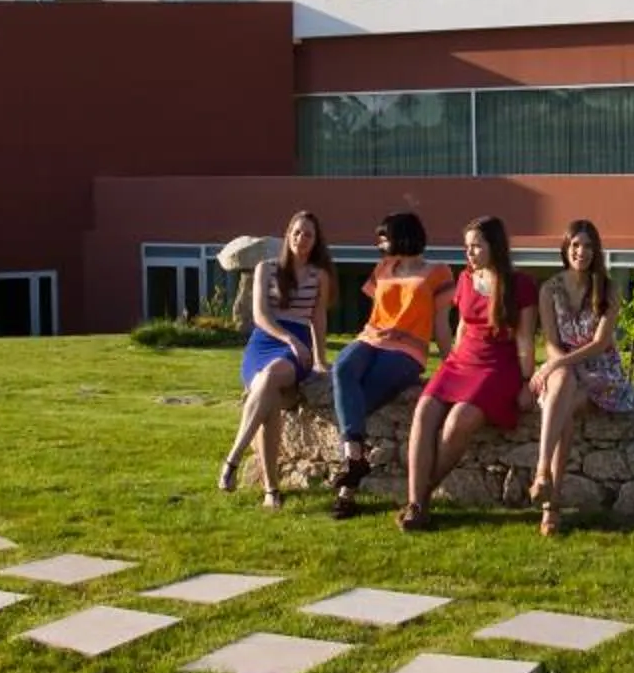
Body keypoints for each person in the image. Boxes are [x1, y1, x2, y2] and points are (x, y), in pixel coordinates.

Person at [396, 216, 540, 532]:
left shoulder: (522, 285)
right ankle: (417, 503)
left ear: (494, 246)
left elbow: (526, 339)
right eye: (467, 246)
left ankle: (419, 499)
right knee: (423, 411)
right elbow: (461, 326)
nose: (470, 252)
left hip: (497, 367)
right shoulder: (464, 279)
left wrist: (528, 381)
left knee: (458, 422)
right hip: (461, 362)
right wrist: (451, 362)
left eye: (476, 245)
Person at [325, 211, 456, 519]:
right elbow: (379, 312)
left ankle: (348, 488)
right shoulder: (383, 268)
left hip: (407, 351)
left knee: (360, 401)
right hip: (371, 339)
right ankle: (354, 458)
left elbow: (441, 324)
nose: (379, 242)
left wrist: (452, 362)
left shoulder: (438, 271)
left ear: (403, 235)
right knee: (342, 368)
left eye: (384, 236)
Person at [215, 211, 334, 506]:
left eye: (308, 234)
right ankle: (272, 492)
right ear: (287, 235)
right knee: (268, 402)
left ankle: (233, 458)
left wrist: (319, 358)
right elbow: (260, 316)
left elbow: (318, 319)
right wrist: (289, 339)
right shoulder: (266, 269)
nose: (301, 239)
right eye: (296, 232)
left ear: (316, 240)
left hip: (298, 351)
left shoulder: (319, 276)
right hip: (264, 342)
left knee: (268, 380)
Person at [529, 219, 632, 537]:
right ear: (565, 248)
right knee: (564, 404)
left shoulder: (608, 288)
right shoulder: (549, 289)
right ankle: (548, 489)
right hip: (564, 366)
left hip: (600, 370)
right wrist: (557, 365)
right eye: (575, 245)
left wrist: (552, 367)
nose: (581, 252)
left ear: (596, 251)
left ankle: (546, 489)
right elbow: (550, 341)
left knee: (562, 398)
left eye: (588, 246)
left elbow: (600, 343)